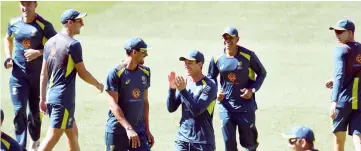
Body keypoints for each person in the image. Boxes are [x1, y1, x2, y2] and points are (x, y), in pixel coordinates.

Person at [38, 9, 104, 151]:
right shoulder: (73, 45)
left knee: (72, 133)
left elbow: (43, 75)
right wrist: (97, 84)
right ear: (70, 23)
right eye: (79, 21)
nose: (83, 24)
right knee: (52, 137)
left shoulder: (49, 42)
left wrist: (42, 98)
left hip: (52, 97)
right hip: (63, 99)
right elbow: (82, 73)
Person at [3, 1, 57, 150]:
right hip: (18, 77)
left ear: (35, 5)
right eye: (23, 4)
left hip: (37, 78)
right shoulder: (13, 22)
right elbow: (7, 38)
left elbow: (57, 47)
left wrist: (38, 52)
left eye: (29, 4)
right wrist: (8, 57)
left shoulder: (44, 26)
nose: (25, 8)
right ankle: (20, 147)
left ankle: (34, 142)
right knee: (19, 110)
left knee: (34, 113)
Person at [207, 26, 267, 151]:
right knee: (229, 144)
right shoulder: (217, 59)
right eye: (225, 37)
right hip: (226, 107)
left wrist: (252, 90)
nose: (228, 40)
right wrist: (216, 92)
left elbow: (262, 73)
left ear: (237, 39)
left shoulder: (248, 56)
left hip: (245, 107)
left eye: (231, 37)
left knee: (249, 144)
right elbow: (210, 79)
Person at [104, 37, 154, 151]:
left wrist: (147, 129)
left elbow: (145, 101)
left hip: (139, 131)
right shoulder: (115, 73)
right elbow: (113, 104)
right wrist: (128, 128)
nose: (146, 54)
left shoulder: (145, 72)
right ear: (134, 52)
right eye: (144, 52)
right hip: (117, 132)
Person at [167, 50, 217, 151]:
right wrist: (172, 89)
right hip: (182, 139)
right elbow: (171, 108)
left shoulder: (209, 86)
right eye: (185, 62)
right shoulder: (185, 83)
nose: (186, 65)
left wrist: (183, 90)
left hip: (203, 142)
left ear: (200, 64)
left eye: (190, 63)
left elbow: (196, 110)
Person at [327, 19, 361, 151]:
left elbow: (339, 75)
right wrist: (335, 79)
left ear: (350, 33)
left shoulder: (341, 50)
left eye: (340, 31)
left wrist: (333, 101)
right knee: (358, 138)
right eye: (336, 31)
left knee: (338, 141)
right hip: (358, 102)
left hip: (343, 102)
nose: (337, 34)